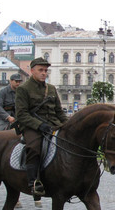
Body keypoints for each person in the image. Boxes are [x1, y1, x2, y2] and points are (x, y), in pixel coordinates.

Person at [16, 57, 68, 197]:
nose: (44, 73)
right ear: (32, 71)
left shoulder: (50, 88)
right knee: (34, 148)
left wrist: (68, 125)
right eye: (41, 70)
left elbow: (58, 111)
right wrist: (39, 125)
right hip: (32, 126)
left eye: (45, 70)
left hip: (53, 124)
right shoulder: (23, 89)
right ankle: (33, 182)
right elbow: (22, 114)